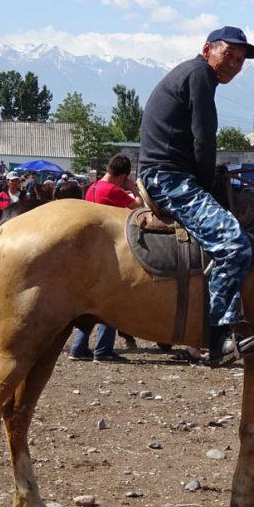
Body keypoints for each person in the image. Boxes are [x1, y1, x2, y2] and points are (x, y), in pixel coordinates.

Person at [138, 25, 254, 367]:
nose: (233, 65)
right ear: (207, 48)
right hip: (168, 177)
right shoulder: (200, 77)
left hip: (169, 170)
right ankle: (219, 336)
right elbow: (204, 140)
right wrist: (207, 182)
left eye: (239, 61)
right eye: (229, 55)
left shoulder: (192, 74)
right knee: (234, 244)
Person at [69, 154, 139, 363]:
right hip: (108, 251)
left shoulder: (92, 188)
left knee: (90, 303)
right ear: (123, 175)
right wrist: (133, 188)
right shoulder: (114, 190)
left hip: (89, 252)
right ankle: (103, 350)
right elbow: (137, 205)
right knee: (112, 300)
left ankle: (79, 347)